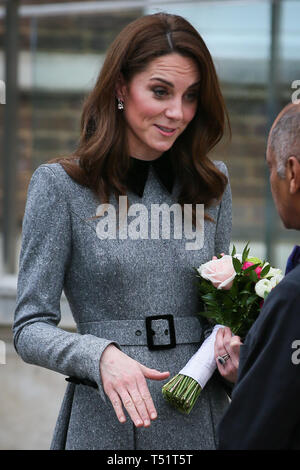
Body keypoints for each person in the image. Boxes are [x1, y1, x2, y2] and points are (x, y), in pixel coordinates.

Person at [13, 13, 234, 450]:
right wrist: (100, 356)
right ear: (120, 88)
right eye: (160, 91)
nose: (178, 112)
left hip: (201, 419)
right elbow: (29, 326)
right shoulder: (60, 187)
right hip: (107, 420)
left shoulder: (213, 185)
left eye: (191, 96)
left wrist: (234, 352)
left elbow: (220, 318)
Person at [217, 102, 300, 449]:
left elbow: (251, 438)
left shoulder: (293, 297)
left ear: (293, 173)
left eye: (270, 167)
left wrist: (252, 376)